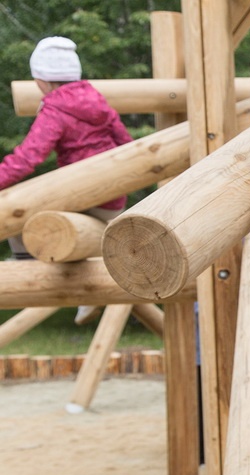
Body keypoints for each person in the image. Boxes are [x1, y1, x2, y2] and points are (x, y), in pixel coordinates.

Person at [0, 36, 133, 324]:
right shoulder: (96, 100)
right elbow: (125, 142)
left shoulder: (55, 109)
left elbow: (28, 158)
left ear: (41, 80)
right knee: (70, 233)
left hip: (81, 193)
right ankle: (88, 295)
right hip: (113, 197)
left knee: (13, 203)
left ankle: (26, 264)